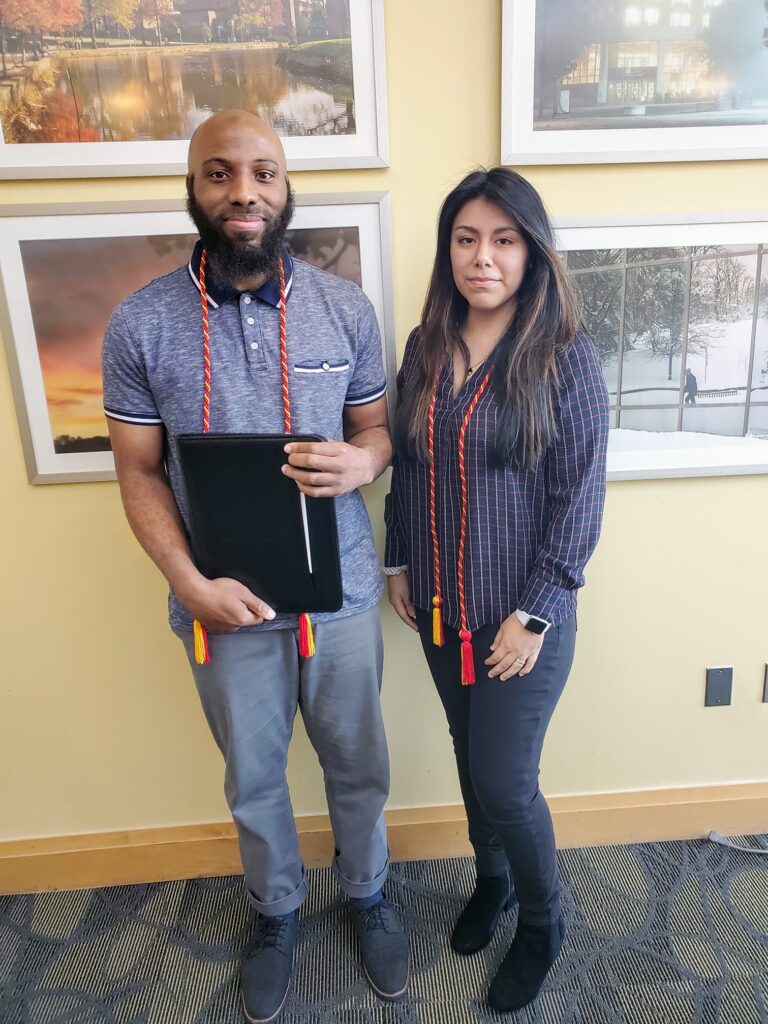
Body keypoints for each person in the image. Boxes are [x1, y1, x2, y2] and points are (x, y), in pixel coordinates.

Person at [102, 110, 409, 1024]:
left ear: (286, 187)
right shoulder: (140, 323)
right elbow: (137, 469)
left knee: (358, 762)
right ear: (193, 188)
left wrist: (363, 462)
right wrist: (186, 583)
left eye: (264, 174)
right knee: (254, 776)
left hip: (342, 594)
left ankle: (367, 893)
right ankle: (276, 913)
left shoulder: (343, 308)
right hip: (218, 603)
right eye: (221, 173)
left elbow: (376, 431)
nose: (244, 192)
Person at [384, 168, 609, 1014]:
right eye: (468, 238)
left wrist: (535, 611)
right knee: (467, 758)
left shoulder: (565, 356)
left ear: (532, 253)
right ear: (450, 250)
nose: (484, 257)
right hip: (441, 608)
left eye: (504, 240)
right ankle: (495, 881)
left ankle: (545, 924)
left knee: (506, 780)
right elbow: (408, 467)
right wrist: (399, 562)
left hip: (522, 620)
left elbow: (579, 498)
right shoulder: (426, 345)